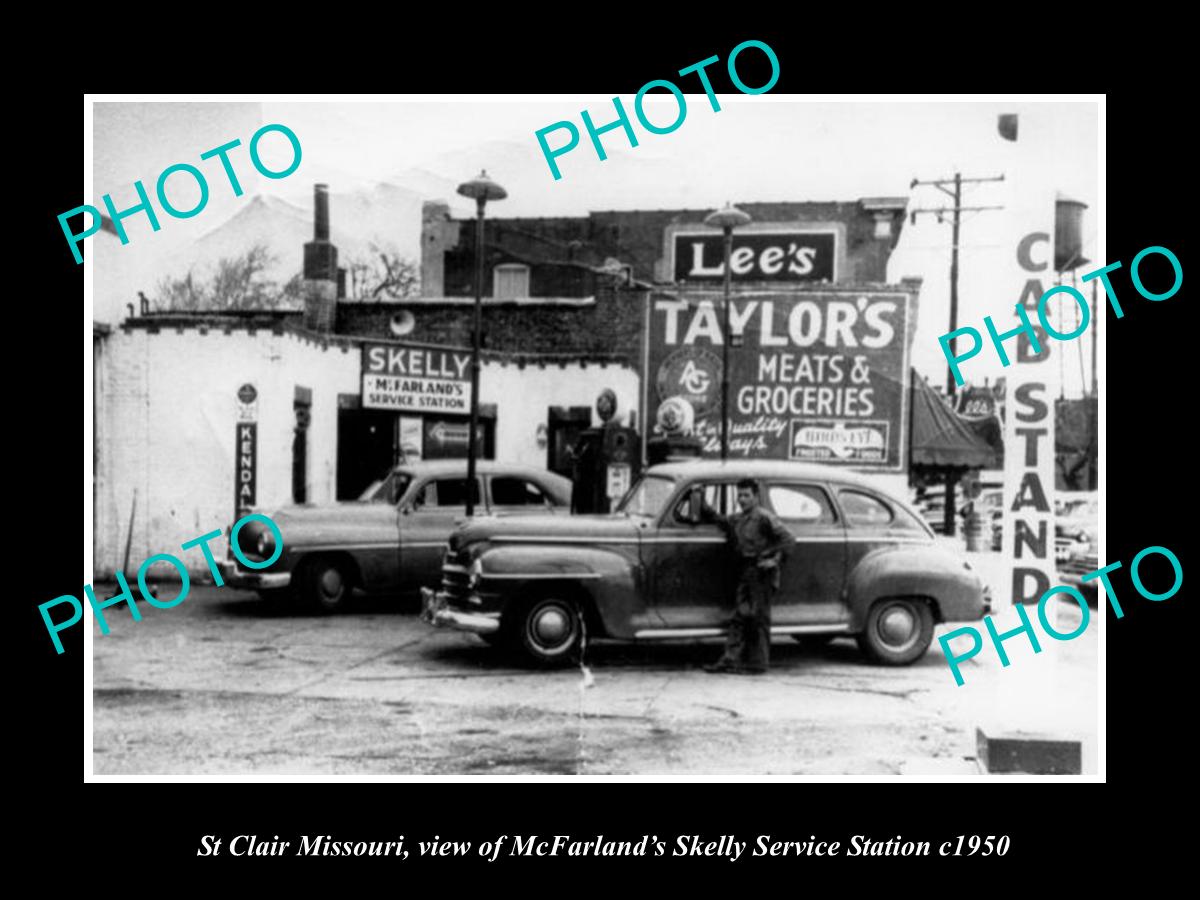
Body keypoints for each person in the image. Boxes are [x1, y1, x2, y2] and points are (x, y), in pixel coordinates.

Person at [700, 479, 794, 675]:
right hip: (748, 571)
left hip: (762, 573)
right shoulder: (740, 518)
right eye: (740, 495)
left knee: (759, 619)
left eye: (746, 495)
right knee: (740, 616)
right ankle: (730, 660)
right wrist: (702, 503)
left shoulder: (764, 517)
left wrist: (774, 560)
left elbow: (788, 539)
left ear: (756, 496)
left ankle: (758, 664)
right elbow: (723, 521)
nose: (742, 499)